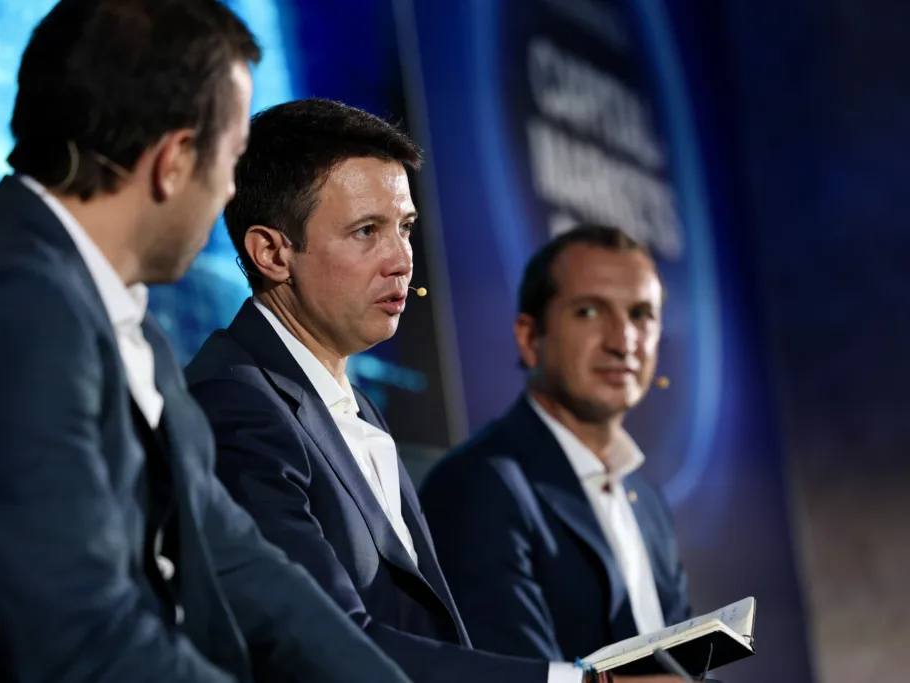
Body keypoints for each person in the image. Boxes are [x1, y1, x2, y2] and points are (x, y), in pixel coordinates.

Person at [0, 3, 412, 682]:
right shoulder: (4, 312)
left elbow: (235, 559)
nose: (231, 191)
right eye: (231, 160)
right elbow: (82, 642)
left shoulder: (120, 323)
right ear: (173, 161)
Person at [185, 98, 687, 683]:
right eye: (367, 231)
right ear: (272, 252)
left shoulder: (350, 406)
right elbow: (322, 645)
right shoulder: (233, 404)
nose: (402, 260)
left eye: (404, 228)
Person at [419, 227, 691, 665]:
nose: (623, 342)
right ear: (530, 339)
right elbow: (518, 676)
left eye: (641, 315)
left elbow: (687, 666)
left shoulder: (648, 502)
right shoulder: (477, 486)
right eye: (589, 311)